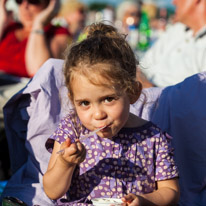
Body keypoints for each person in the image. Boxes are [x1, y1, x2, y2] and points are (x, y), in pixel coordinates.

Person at [43, 22, 179, 205]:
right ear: (72, 99)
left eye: (108, 99)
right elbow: (52, 191)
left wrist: (144, 200)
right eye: (84, 103)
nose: (98, 114)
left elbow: (170, 191)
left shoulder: (153, 137)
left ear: (132, 92)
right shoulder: (73, 130)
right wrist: (65, 164)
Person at [139, 0, 206, 87]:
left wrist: (149, 90)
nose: (174, 2)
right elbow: (143, 65)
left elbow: (197, 97)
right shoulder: (177, 29)